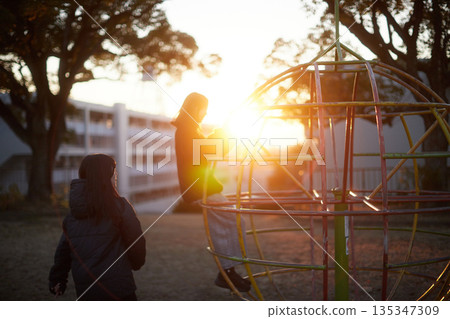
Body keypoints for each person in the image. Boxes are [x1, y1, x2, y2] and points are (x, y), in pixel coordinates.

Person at [171, 92, 250, 292]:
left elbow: (208, 150)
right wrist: (224, 132)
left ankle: (228, 270)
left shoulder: (188, 129)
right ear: (195, 108)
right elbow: (205, 150)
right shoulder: (187, 129)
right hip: (200, 187)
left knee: (229, 221)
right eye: (203, 109)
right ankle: (226, 271)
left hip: (202, 186)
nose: (205, 114)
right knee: (230, 221)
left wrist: (222, 134)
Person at [48, 154, 146, 300]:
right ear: (107, 175)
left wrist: (58, 279)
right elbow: (135, 241)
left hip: (86, 291)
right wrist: (136, 263)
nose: (116, 175)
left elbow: (64, 250)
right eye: (113, 171)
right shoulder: (120, 207)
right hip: (119, 289)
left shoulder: (73, 215)